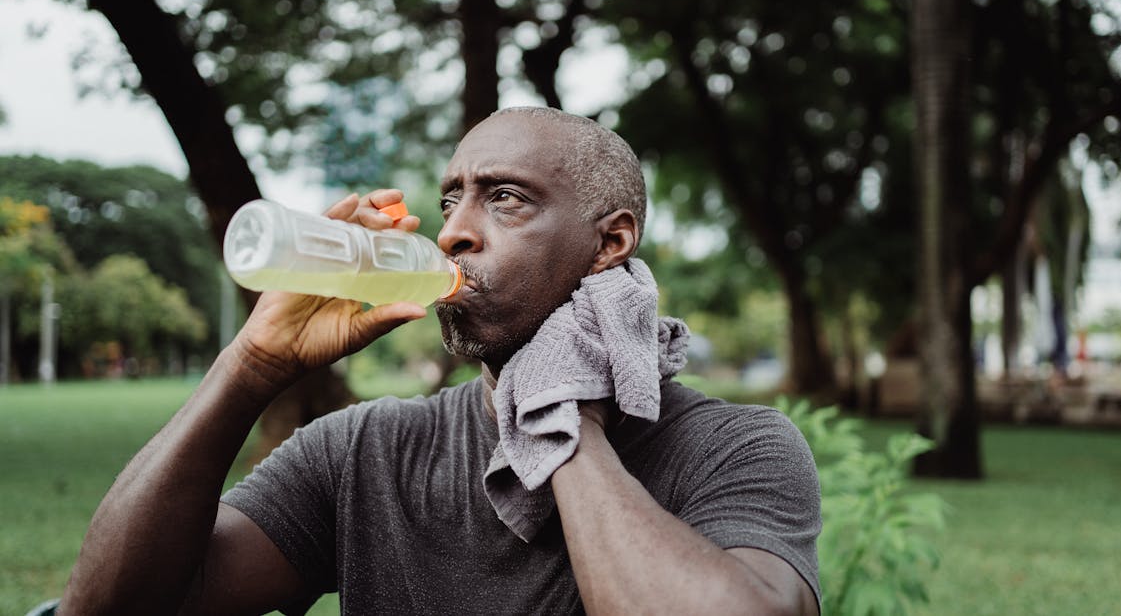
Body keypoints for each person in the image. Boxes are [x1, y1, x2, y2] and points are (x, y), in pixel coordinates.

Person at [59, 107, 822, 615]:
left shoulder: (736, 449)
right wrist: (251, 365)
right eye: (451, 198)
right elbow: (110, 606)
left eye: (506, 198)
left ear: (609, 243)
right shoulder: (364, 450)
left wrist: (560, 411)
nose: (455, 229)